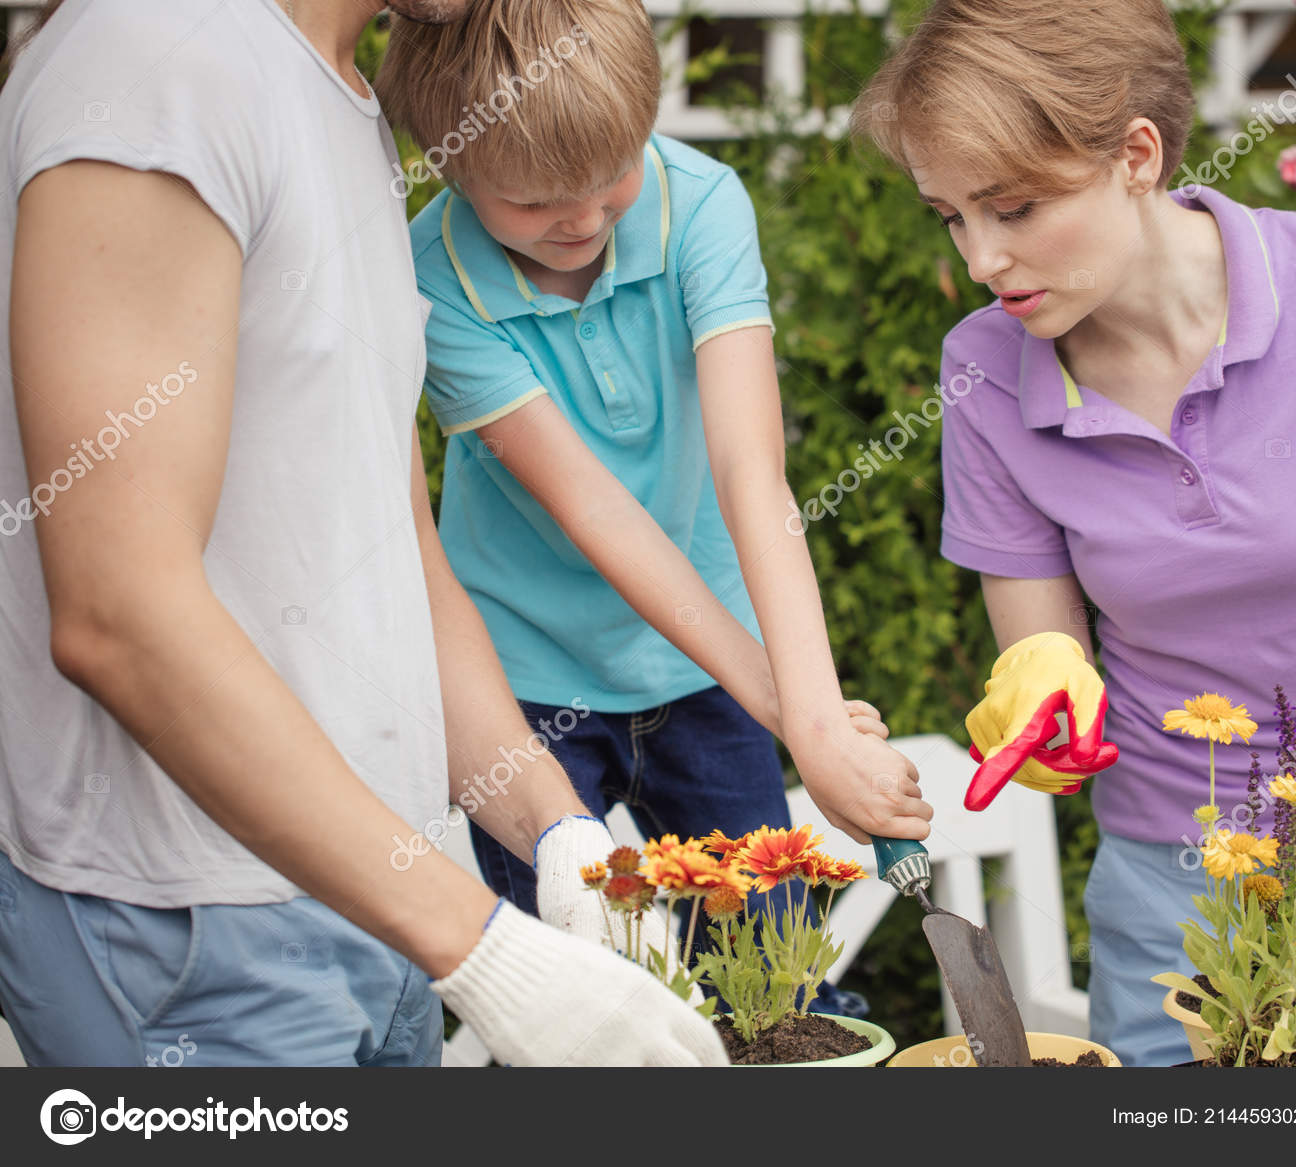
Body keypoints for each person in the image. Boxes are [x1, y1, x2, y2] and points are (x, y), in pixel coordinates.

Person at [852, 0, 1296, 1066]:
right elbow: (1042, 640)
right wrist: (1045, 688)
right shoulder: (983, 370)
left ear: (1135, 153)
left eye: (1011, 207)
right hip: (1176, 892)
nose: (980, 258)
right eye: (951, 217)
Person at [0, 0, 722, 1068]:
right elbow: (120, 614)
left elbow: (389, 549)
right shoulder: (162, 61)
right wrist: (481, 949)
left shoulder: (339, 96)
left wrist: (554, 830)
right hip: (198, 930)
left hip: (378, 905)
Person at [373, 0, 932, 942]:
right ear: (453, 162)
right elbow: (595, 508)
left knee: (769, 962)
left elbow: (750, 467)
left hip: (706, 669)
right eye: (539, 201)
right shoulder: (431, 279)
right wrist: (798, 715)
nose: (585, 218)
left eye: (612, 175)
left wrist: (816, 710)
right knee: (568, 968)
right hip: (532, 683)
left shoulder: (703, 205)